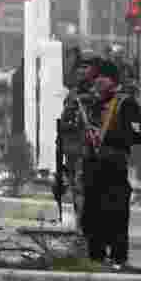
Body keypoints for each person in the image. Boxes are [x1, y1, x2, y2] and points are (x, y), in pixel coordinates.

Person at [81, 60, 141, 267]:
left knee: (116, 215)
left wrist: (107, 138)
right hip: (93, 168)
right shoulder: (94, 103)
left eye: (101, 78)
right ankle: (95, 257)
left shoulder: (126, 103)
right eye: (95, 79)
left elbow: (136, 136)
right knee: (92, 216)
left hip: (114, 168)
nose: (96, 82)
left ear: (112, 80)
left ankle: (118, 259)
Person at [57, 51, 102, 235]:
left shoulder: (100, 93)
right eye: (81, 67)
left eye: (87, 67)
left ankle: (86, 226)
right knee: (77, 188)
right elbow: (65, 120)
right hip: (73, 149)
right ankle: (82, 224)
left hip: (90, 150)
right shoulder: (74, 94)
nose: (82, 71)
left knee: (85, 186)